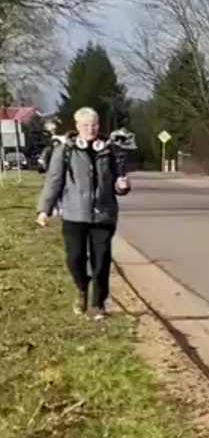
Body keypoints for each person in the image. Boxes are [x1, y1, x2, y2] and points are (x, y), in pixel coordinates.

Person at [36, 107, 131, 319]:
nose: (91, 129)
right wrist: (44, 210)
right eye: (86, 125)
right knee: (75, 259)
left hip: (103, 214)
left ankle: (98, 304)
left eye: (95, 125)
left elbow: (118, 183)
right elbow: (54, 181)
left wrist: (122, 186)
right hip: (74, 214)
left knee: (102, 260)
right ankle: (81, 286)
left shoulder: (110, 150)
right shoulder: (65, 150)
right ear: (77, 126)